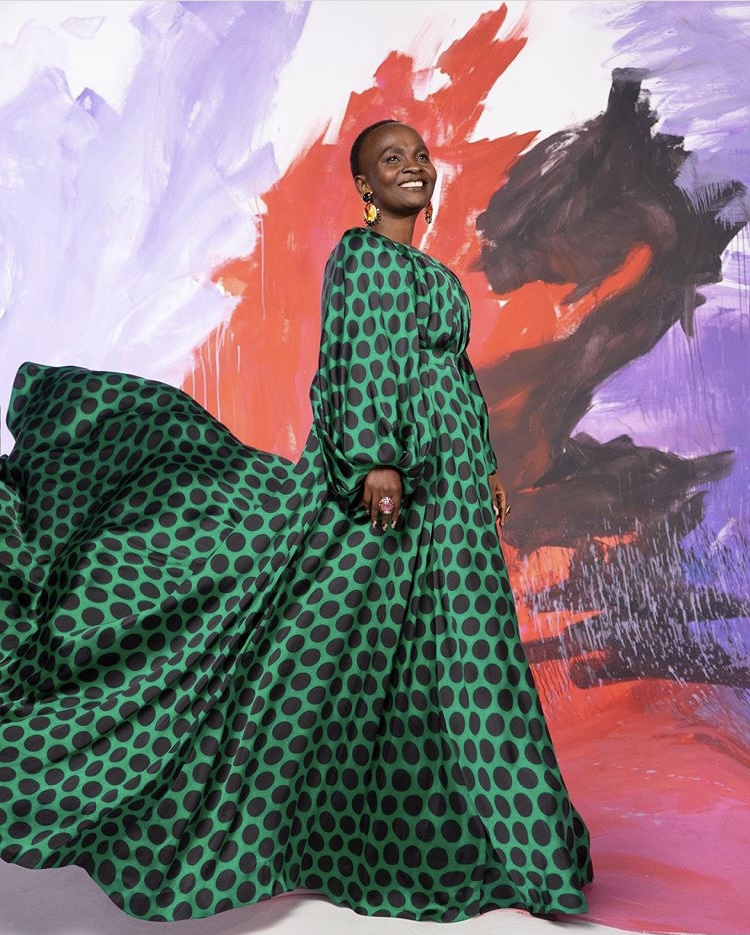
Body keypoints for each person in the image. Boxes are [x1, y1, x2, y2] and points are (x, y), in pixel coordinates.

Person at [0, 119, 593, 924]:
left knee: (463, 649)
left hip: (452, 491)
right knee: (368, 649)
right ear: (365, 185)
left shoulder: (430, 272)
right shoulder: (362, 259)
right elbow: (355, 363)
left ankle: (497, 841)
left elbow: (454, 374)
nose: (413, 166)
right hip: (399, 482)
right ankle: (456, 843)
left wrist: (483, 465)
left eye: (419, 156)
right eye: (391, 159)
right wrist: (373, 459)